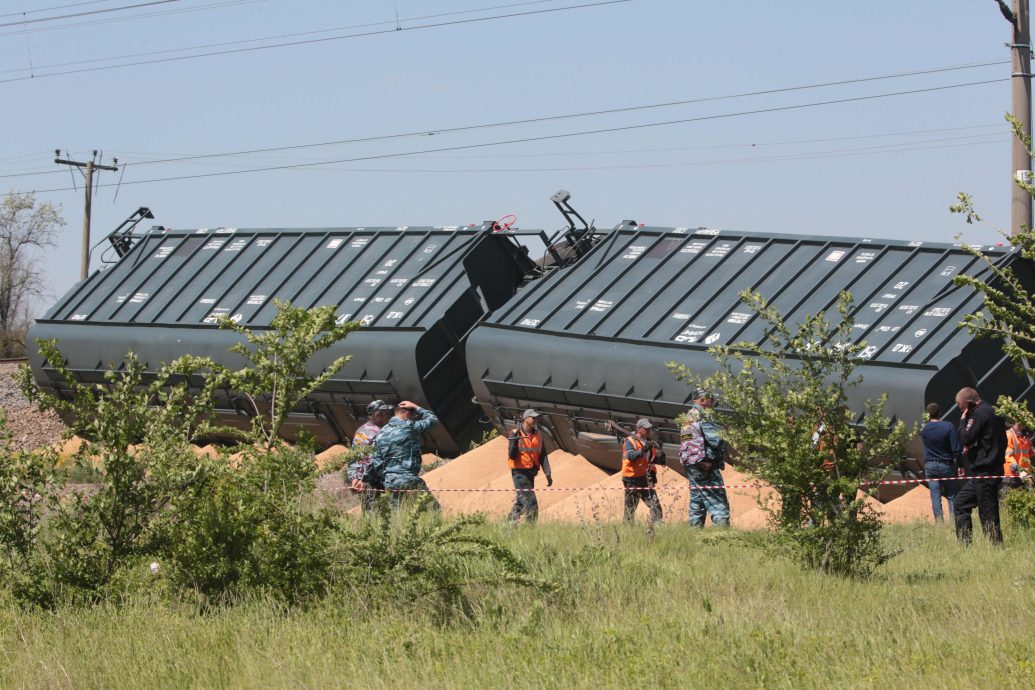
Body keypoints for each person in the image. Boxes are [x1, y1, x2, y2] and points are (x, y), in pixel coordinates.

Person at [364, 401, 441, 511]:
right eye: (414, 416)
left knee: (398, 514)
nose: (413, 419)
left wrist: (387, 477)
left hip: (390, 482)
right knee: (433, 510)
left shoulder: (381, 433)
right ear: (407, 414)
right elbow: (433, 420)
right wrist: (416, 406)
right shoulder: (409, 426)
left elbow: (377, 462)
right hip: (409, 479)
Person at [953, 387, 1007, 544]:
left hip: (985, 471)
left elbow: (965, 437)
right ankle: (965, 545)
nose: (960, 410)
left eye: (960, 406)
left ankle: (996, 547)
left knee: (988, 512)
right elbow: (989, 439)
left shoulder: (978, 414)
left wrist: (963, 421)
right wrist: (974, 448)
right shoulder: (993, 411)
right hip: (988, 470)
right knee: (961, 502)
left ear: (969, 403)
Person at [679, 389, 729, 527]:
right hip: (706, 465)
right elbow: (716, 441)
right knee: (718, 502)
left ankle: (695, 532)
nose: (713, 403)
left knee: (698, 500)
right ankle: (722, 534)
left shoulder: (689, 417)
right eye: (711, 400)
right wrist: (726, 435)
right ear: (702, 400)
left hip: (692, 464)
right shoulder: (703, 415)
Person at [506, 409, 553, 524]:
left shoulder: (538, 434)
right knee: (531, 501)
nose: (535, 420)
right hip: (519, 473)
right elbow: (511, 455)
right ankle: (530, 528)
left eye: (536, 418)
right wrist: (515, 441)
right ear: (525, 418)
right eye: (533, 418)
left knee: (521, 502)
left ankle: (508, 525)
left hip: (531, 473)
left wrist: (547, 473)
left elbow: (542, 454)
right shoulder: (515, 433)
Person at [347, 400, 393, 512]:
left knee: (368, 512)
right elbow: (374, 461)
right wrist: (365, 479)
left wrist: (355, 478)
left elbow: (354, 458)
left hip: (361, 481)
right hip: (374, 481)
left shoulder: (360, 430)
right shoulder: (380, 433)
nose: (389, 416)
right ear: (378, 415)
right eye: (386, 413)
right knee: (379, 513)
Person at [919, 402, 961, 522]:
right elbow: (955, 449)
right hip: (945, 465)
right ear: (940, 412)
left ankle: (939, 523)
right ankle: (954, 522)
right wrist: (961, 464)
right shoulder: (948, 426)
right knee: (952, 494)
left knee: (935, 496)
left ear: (928, 414)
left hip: (929, 466)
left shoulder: (924, 429)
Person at [621, 419, 663, 524]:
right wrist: (643, 449)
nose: (649, 430)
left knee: (655, 506)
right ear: (638, 429)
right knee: (630, 508)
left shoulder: (650, 442)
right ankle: (627, 530)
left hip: (645, 478)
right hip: (631, 479)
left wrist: (659, 459)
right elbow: (631, 456)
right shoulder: (630, 441)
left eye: (649, 428)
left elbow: (650, 460)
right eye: (646, 428)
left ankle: (655, 528)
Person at [1004, 419, 1033, 488]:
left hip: (1025, 476)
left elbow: (1030, 454)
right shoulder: (1009, 435)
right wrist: (1020, 470)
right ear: (1016, 419)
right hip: (1011, 476)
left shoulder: (1026, 436)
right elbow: (1008, 457)